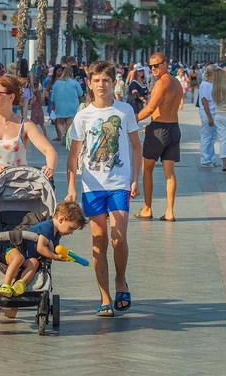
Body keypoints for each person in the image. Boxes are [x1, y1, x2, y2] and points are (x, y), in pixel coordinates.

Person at [65, 61, 141, 317]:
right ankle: (105, 295)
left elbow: (136, 146)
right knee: (99, 242)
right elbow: (74, 154)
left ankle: (121, 280)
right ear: (89, 83)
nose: (101, 85)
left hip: (118, 184)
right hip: (92, 186)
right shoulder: (82, 116)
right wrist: (72, 187)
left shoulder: (125, 110)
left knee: (119, 238)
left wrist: (135, 179)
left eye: (105, 80)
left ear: (113, 82)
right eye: (96, 80)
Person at [0, 76, 58, 209]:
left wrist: (50, 168)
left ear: (11, 97)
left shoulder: (24, 124)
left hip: (16, 189)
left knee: (16, 227)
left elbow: (49, 150)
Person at [0, 201, 86, 297]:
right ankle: (6, 284)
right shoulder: (47, 228)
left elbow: (53, 249)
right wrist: (55, 257)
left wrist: (65, 255)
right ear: (61, 220)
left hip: (27, 257)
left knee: (35, 263)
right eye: (71, 228)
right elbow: (41, 248)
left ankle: (21, 283)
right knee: (19, 258)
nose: (71, 232)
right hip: (13, 250)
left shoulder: (57, 234)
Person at [135, 52, 183, 221]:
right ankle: (169, 212)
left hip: (159, 130)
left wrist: (132, 119)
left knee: (146, 169)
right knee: (169, 173)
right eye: (151, 66)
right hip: (173, 128)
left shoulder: (161, 83)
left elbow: (150, 108)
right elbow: (169, 107)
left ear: (165, 64)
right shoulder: (177, 83)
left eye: (157, 65)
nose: (153, 69)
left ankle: (147, 208)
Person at [51, 67, 82, 143]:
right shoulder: (74, 82)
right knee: (69, 123)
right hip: (73, 105)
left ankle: (63, 134)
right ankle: (68, 137)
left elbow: (53, 97)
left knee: (59, 122)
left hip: (60, 105)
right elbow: (80, 93)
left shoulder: (57, 83)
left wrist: (53, 104)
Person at [198, 64, 218, 167]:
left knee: (212, 137)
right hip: (208, 113)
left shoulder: (211, 84)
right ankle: (205, 159)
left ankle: (211, 159)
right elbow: (204, 101)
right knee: (206, 136)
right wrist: (209, 117)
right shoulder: (205, 85)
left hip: (213, 112)